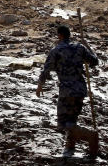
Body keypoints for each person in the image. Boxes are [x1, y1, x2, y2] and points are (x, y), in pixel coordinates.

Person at [38, 25, 100, 158]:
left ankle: (90, 135)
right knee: (72, 119)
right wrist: (87, 45)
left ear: (59, 35)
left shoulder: (57, 50)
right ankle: (70, 145)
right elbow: (95, 61)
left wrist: (39, 85)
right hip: (80, 89)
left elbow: (46, 69)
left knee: (62, 123)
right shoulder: (80, 47)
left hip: (67, 90)